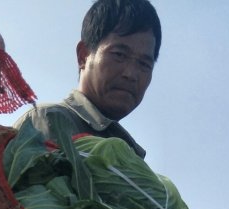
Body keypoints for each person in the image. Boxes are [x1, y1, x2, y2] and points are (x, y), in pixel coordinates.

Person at [13, 0, 161, 159]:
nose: (131, 74)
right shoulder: (47, 121)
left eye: (144, 64)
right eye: (119, 55)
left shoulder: (132, 156)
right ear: (83, 55)